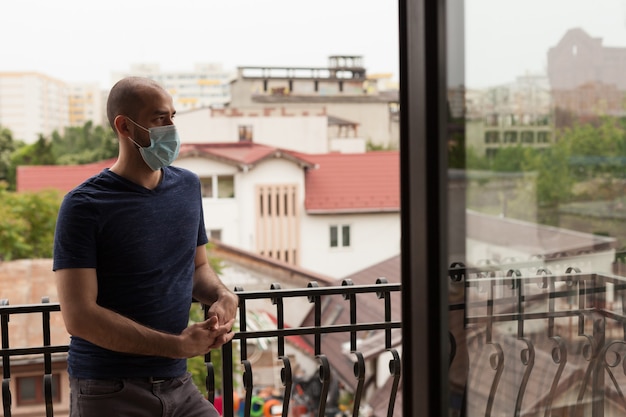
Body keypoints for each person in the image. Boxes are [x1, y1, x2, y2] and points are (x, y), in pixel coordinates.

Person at [53, 76, 239, 417]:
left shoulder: (187, 186)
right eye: (159, 118)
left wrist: (223, 296)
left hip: (177, 384)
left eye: (172, 116)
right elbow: (79, 316)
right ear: (125, 126)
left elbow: (198, 268)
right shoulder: (84, 205)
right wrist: (177, 346)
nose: (171, 127)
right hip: (108, 389)